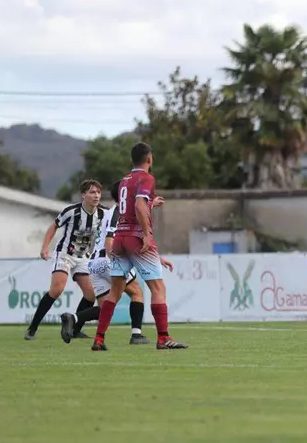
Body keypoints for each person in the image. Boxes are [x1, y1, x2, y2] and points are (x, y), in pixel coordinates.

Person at [91, 142, 186, 351]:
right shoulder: (147, 178)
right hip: (135, 236)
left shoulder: (124, 181)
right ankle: (163, 337)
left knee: (115, 292)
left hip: (120, 238)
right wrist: (147, 234)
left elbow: (129, 206)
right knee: (158, 288)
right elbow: (139, 205)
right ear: (149, 158)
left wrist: (151, 203)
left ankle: (98, 338)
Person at [59, 180, 154, 345]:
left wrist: (151, 204)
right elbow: (110, 240)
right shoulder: (118, 212)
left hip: (94, 263)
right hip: (108, 259)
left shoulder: (109, 212)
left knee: (105, 308)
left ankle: (73, 318)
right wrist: (116, 261)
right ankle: (136, 334)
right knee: (136, 293)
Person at [25, 180, 105, 340]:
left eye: (98, 192)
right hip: (64, 254)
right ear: (83, 195)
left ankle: (74, 329)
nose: (96, 195)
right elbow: (54, 226)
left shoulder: (103, 213)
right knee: (57, 289)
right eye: (92, 192)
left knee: (90, 294)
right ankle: (32, 328)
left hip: (82, 257)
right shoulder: (71, 211)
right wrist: (45, 247)